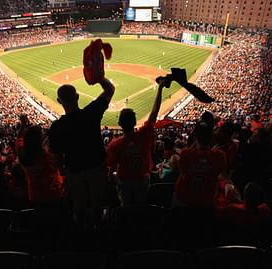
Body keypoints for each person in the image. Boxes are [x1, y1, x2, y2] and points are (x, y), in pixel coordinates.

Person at [48, 76, 114, 225]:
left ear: (59, 101)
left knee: (79, 205)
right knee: (98, 202)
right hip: (97, 168)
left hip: (74, 171)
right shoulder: (91, 113)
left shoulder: (57, 127)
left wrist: (63, 171)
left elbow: (57, 156)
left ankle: (81, 232)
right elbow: (110, 90)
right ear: (77, 97)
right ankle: (98, 228)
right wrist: (99, 76)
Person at [107, 78, 166, 205]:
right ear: (134, 122)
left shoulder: (115, 144)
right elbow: (154, 112)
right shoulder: (144, 135)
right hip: (143, 179)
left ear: (119, 124)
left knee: (126, 206)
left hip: (125, 182)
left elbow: (110, 170)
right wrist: (160, 88)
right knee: (141, 206)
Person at [173, 121, 227, 210]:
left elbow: (182, 168)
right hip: (206, 201)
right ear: (212, 137)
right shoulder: (219, 156)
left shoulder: (186, 154)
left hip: (184, 200)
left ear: (195, 137)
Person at [19, 125, 64, 205]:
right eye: (43, 136)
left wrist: (22, 125)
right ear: (39, 141)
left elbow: (19, 140)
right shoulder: (48, 157)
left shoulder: (23, 156)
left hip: (34, 196)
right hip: (53, 195)